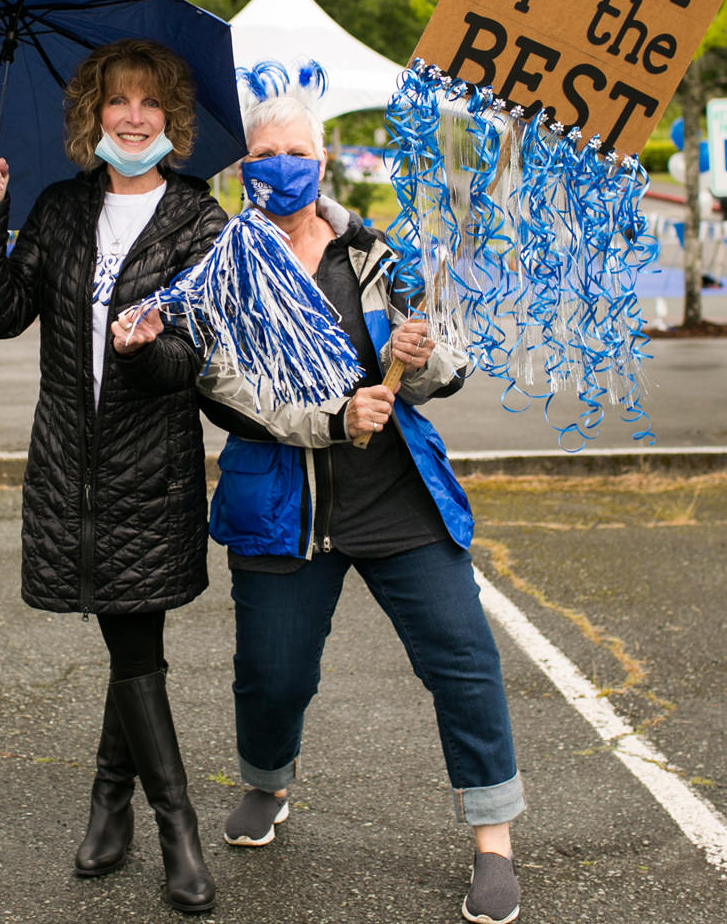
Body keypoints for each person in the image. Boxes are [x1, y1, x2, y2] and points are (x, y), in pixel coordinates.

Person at [194, 76, 526, 924]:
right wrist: (335, 420)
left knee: (463, 659)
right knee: (272, 675)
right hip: (284, 508)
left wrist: (422, 352)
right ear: (241, 169)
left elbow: (444, 368)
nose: (281, 166)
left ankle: (493, 839)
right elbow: (224, 389)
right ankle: (268, 783)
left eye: (296, 153)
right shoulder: (223, 266)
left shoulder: (375, 254)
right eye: (264, 155)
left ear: (323, 161)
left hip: (398, 502)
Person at [0, 38, 227, 914]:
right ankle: (112, 802)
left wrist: (147, 350)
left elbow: (195, 360)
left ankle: (174, 827)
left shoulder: (199, 221)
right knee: (130, 638)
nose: (134, 117)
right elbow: (4, 314)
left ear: (172, 118)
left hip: (152, 468)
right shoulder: (62, 209)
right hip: (70, 465)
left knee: (132, 638)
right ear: (93, 115)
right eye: (118, 100)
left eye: (151, 102)